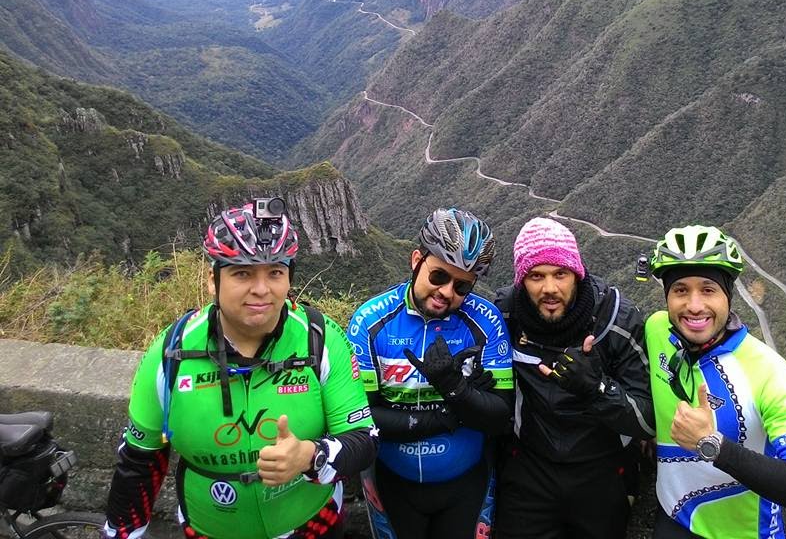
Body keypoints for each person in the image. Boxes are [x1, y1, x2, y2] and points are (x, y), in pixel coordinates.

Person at [102, 199, 377, 539]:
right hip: (209, 530)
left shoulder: (320, 339)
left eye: (275, 272)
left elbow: (364, 440)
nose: (261, 289)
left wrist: (312, 456)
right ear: (213, 280)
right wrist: (122, 533)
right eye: (242, 273)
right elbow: (139, 459)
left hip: (312, 527)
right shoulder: (171, 351)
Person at [645, 224, 786, 539]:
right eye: (680, 290)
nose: (694, 306)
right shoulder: (657, 330)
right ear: (667, 297)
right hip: (673, 520)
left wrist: (712, 445)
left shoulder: (768, 372)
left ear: (728, 296)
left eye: (708, 289)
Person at [348, 207, 513, 539]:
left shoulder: (486, 321)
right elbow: (362, 419)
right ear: (416, 260)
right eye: (438, 276)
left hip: (466, 485)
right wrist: (458, 409)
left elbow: (499, 416)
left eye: (462, 286)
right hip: (393, 483)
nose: (447, 292)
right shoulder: (370, 321)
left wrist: (453, 386)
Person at [493, 216, 655, 539]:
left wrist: (596, 388)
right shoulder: (506, 315)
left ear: (577, 274)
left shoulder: (616, 320)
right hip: (530, 469)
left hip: (600, 471)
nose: (550, 289)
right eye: (536, 276)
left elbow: (648, 420)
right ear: (521, 281)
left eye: (560, 274)